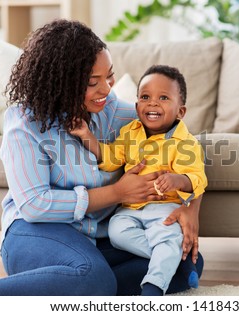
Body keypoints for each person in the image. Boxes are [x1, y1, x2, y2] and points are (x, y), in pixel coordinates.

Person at [0, 19, 203, 296]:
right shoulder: (25, 124)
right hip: (36, 232)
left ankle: (71, 282)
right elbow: (34, 205)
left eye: (109, 76)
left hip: (97, 237)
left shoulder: (118, 114)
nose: (106, 90)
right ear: (62, 83)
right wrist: (116, 192)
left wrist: (190, 208)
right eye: (92, 82)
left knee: (186, 264)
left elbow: (184, 146)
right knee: (95, 279)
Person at [70, 65, 207, 296]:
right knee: (116, 232)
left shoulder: (186, 143)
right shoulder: (131, 132)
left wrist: (177, 180)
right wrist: (87, 136)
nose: (153, 103)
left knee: (167, 235)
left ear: (181, 111)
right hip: (130, 209)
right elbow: (111, 157)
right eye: (145, 97)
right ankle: (175, 260)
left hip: (164, 209)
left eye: (163, 98)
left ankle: (153, 287)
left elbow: (196, 178)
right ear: (136, 106)